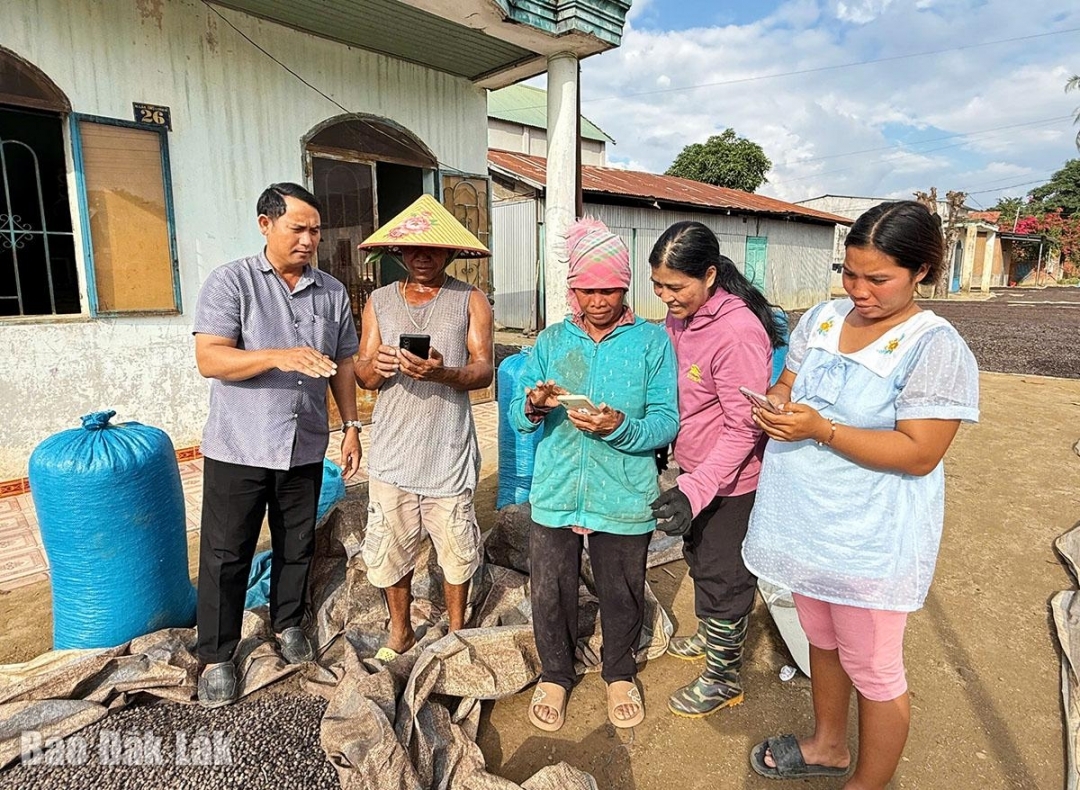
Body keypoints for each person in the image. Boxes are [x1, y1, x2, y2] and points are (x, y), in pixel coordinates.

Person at [741, 200, 979, 788]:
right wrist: (774, 406)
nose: (859, 291)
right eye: (850, 274)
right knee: (821, 641)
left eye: (878, 279)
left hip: (869, 537)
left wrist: (820, 429)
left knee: (873, 666)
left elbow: (921, 451)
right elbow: (789, 383)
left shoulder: (933, 345)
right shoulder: (821, 320)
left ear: (921, 270)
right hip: (807, 520)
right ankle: (827, 744)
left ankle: (867, 783)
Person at [193, 183, 362, 708]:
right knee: (226, 554)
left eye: (316, 230)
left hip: (304, 446)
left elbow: (345, 365)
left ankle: (289, 624)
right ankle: (218, 656)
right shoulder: (231, 282)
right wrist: (276, 356)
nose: (309, 240)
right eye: (299, 228)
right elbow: (211, 360)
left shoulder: (331, 293)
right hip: (238, 447)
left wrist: (351, 426)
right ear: (266, 225)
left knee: (297, 545)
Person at [510, 218, 679, 732]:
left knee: (621, 587)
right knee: (550, 587)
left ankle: (620, 671)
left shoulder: (652, 342)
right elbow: (519, 416)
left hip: (624, 492)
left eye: (609, 288)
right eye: (588, 289)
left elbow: (666, 420)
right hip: (558, 487)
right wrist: (535, 405)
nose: (599, 299)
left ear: (625, 287)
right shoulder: (553, 340)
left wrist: (619, 426)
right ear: (573, 289)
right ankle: (556, 673)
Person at [646, 221, 786, 718]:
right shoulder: (682, 318)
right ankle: (710, 637)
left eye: (675, 287)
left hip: (733, 481)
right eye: (657, 286)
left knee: (725, 576)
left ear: (709, 276)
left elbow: (744, 428)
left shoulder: (738, 332)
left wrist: (697, 488)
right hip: (697, 473)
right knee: (700, 557)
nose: (665, 297)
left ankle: (724, 676)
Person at [354, 194, 494, 661]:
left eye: (434, 248)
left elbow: (483, 370)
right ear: (397, 252)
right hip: (392, 454)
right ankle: (401, 631)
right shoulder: (378, 301)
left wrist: (442, 372)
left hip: (447, 452)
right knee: (391, 547)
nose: (422, 256)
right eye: (413, 249)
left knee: (456, 549)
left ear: (452, 252)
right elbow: (363, 374)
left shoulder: (470, 301)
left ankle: (457, 631)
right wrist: (378, 363)